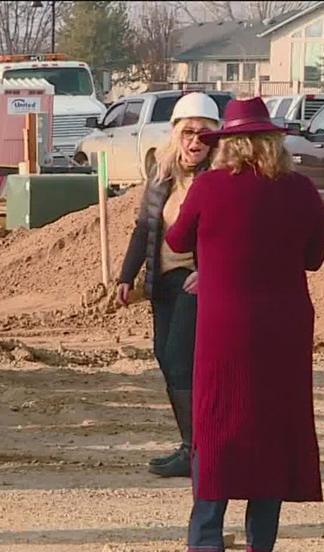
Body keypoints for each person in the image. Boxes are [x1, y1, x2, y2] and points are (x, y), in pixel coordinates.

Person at [161, 97, 324, 552]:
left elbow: (176, 242)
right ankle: (261, 547)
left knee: (216, 425)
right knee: (272, 425)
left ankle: (206, 542)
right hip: (286, 322)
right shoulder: (301, 190)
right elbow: (314, 257)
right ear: (276, 142)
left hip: (225, 324)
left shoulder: (211, 187)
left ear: (228, 145)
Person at [116, 93, 219, 479]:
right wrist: (127, 276)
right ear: (176, 134)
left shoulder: (220, 179)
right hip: (164, 282)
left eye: (205, 135)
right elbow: (145, 226)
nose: (196, 142)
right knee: (165, 357)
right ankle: (189, 445)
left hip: (199, 285)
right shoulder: (162, 175)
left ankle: (198, 451)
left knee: (181, 361)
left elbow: (230, 235)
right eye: (189, 133)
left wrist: (212, 271)